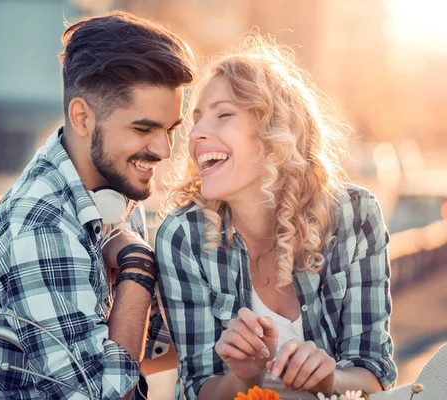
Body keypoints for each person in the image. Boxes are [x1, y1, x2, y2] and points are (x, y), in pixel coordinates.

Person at [0, 11, 194, 400]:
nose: (164, 150)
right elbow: (111, 395)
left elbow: (156, 348)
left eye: (170, 130)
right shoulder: (42, 226)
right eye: (144, 129)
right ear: (82, 118)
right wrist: (138, 265)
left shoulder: (114, 190)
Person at [155, 34, 397, 400]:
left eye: (223, 115)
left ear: (274, 132)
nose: (197, 134)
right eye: (197, 120)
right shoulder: (183, 237)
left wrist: (327, 380)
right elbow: (197, 389)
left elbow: (374, 376)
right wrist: (243, 377)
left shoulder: (355, 215)